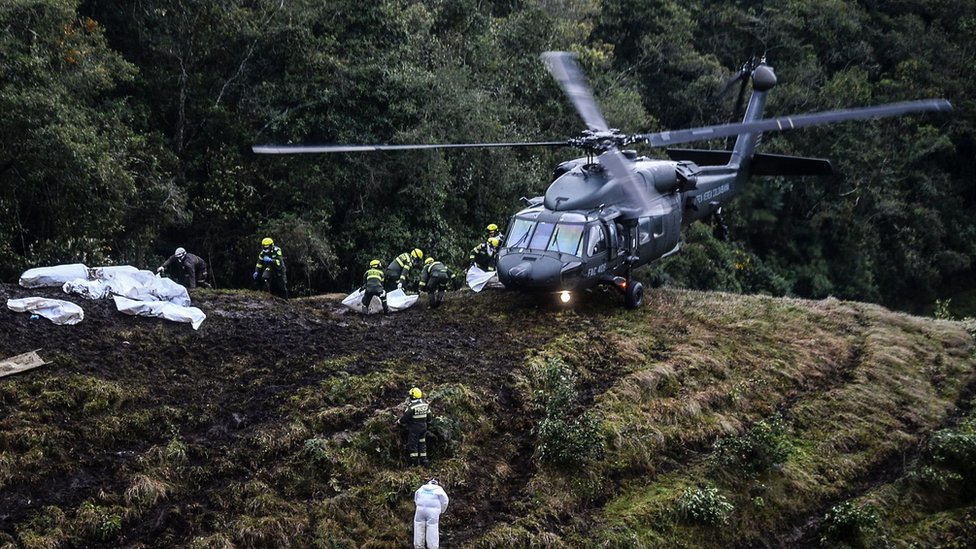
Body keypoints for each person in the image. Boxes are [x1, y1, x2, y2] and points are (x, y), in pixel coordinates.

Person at [398, 387, 431, 466]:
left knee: (413, 444)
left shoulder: (412, 407)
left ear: (412, 396)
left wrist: (399, 422)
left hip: (414, 428)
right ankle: (424, 461)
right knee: (422, 443)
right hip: (424, 427)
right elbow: (429, 417)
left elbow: (404, 418)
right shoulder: (426, 405)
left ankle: (414, 462)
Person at [413, 478, 449, 549]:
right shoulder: (439, 490)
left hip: (420, 511)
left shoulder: (421, 488)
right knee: (432, 528)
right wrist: (442, 511)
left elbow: (416, 497)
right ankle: (432, 547)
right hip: (432, 512)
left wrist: (418, 506)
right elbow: (445, 502)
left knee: (418, 526)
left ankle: (418, 546)